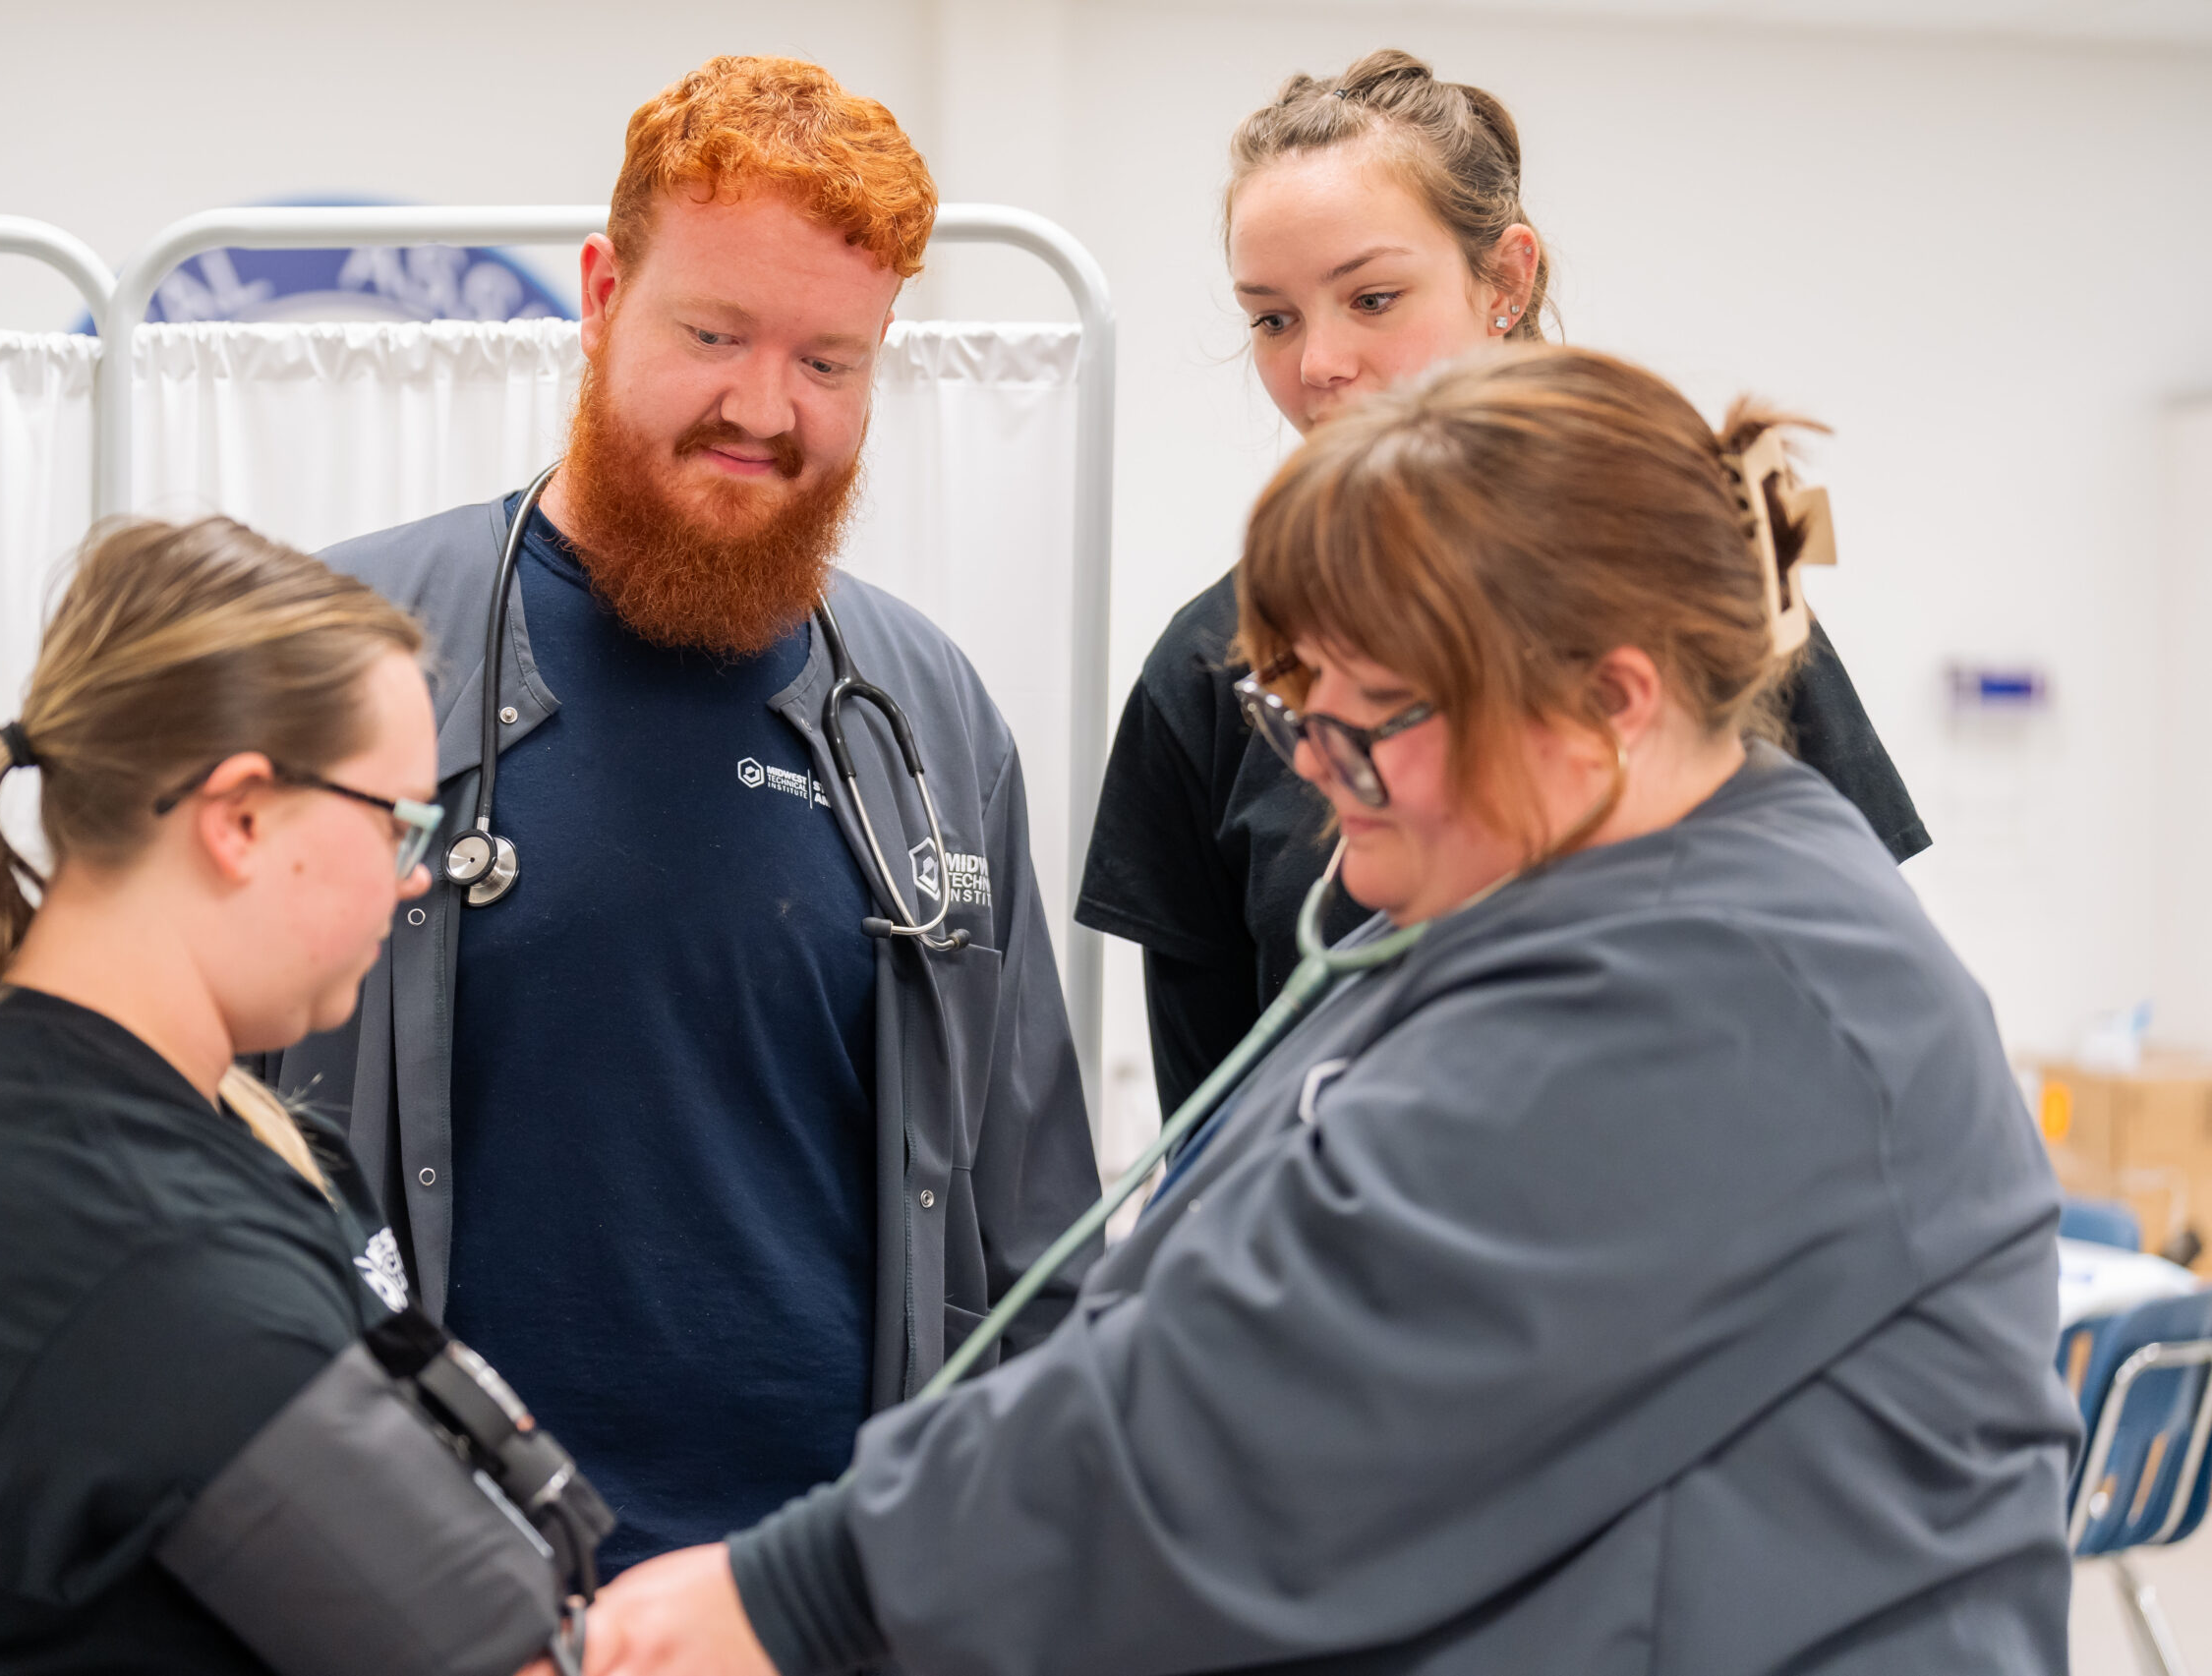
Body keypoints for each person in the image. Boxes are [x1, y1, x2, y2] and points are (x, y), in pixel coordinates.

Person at [581, 346, 2078, 1675]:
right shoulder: (1547, 909)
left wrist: (805, 1594)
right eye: (1296, 709)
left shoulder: (1741, 985)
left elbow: (1275, 1408)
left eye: (1376, 724)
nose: (1315, 768)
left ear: (1613, 702)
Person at [271, 56, 1098, 1580]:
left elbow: (1034, 1245)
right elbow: (181, 1139)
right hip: (420, 1601)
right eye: (712, 334)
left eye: (829, 364)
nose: (762, 409)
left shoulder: (930, 715)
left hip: (813, 1605)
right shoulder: (354, 647)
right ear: (601, 292)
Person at [0, 518, 610, 1673]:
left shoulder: (45, 1122)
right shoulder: (131, 1236)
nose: (416, 874)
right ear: (241, 816)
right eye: (401, 818)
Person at [1077, 51, 1932, 1117]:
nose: (1317, 364)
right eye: (1272, 318)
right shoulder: (1212, 668)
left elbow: (1869, 1016)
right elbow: (1210, 1133)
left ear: (1506, 280)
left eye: (1373, 297)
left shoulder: (1690, 586)